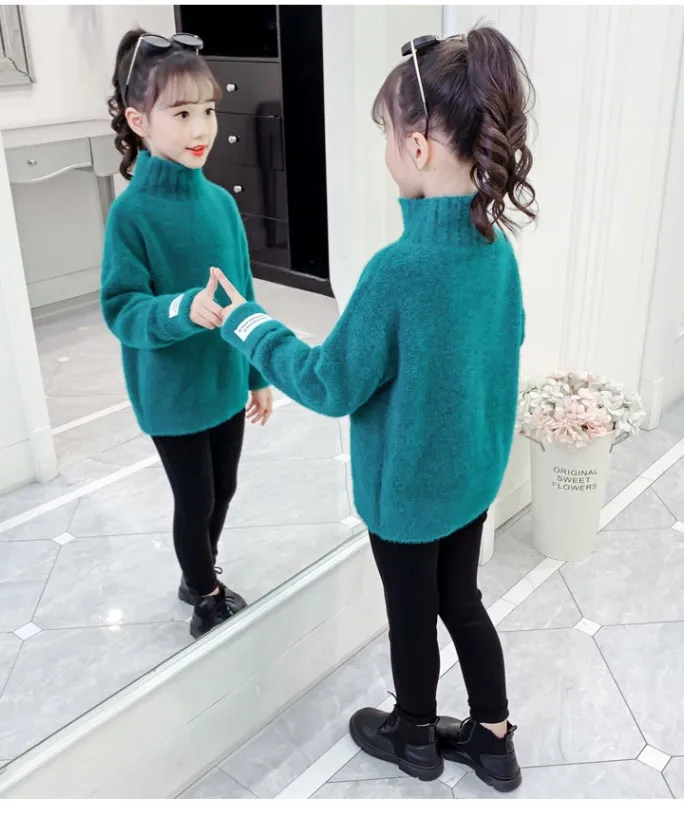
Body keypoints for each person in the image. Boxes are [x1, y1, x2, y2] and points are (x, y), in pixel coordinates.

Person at [211, 26, 536, 791]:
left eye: (387, 135)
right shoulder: (496, 250)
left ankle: (414, 734)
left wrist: (245, 323)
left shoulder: (399, 270)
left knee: (411, 614)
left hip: (407, 496)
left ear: (417, 146)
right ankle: (494, 741)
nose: (386, 151)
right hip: (472, 479)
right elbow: (505, 345)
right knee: (463, 601)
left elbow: (328, 384)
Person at [100, 29, 274, 640]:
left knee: (224, 487)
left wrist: (256, 373)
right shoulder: (131, 214)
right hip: (171, 392)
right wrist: (182, 310)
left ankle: (198, 570)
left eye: (208, 110)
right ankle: (204, 594)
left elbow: (244, 295)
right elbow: (121, 308)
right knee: (194, 498)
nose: (201, 128)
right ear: (138, 121)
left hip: (224, 380)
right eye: (181, 114)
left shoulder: (220, 204)